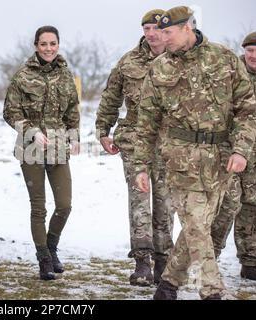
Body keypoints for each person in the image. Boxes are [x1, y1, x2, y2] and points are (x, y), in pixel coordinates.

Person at [133, 6, 256, 300]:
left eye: (168, 32)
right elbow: (146, 121)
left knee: (198, 226)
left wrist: (241, 149)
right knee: (197, 225)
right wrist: (140, 165)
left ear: (187, 28)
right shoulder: (159, 67)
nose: (162, 38)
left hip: (220, 160)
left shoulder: (224, 58)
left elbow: (247, 110)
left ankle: (167, 286)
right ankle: (212, 291)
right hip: (180, 160)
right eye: (159, 32)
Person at [95, 9, 174, 286]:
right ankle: (142, 262)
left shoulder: (179, 59)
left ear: (167, 31)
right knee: (139, 199)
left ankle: (164, 261)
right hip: (134, 139)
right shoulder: (128, 62)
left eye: (156, 29)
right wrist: (103, 131)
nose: (151, 34)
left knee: (165, 201)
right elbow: (110, 97)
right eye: (146, 29)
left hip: (170, 143)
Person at [3, 26, 80, 281]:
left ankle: (52, 247)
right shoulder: (22, 76)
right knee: (38, 208)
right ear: (36, 45)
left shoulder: (67, 76)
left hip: (58, 147)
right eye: (44, 44)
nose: (48, 48)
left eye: (53, 43)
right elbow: (10, 112)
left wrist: (74, 135)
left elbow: (72, 111)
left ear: (58, 45)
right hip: (31, 149)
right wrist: (31, 131)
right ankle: (44, 259)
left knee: (65, 205)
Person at [211, 31, 256, 281]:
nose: (253, 56)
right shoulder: (230, 74)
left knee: (253, 205)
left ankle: (251, 262)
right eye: (250, 51)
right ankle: (210, 257)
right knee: (227, 205)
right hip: (230, 151)